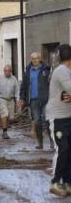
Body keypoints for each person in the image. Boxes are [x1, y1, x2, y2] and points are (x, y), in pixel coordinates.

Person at [45, 44, 71, 196]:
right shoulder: (61, 71)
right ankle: (55, 182)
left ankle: (67, 183)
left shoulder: (67, 71)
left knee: (69, 151)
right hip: (57, 117)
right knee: (62, 149)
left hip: (68, 117)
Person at [19, 52, 54, 149]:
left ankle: (52, 142)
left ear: (40, 59)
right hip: (33, 100)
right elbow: (23, 86)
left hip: (46, 99)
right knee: (37, 122)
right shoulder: (28, 72)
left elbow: (52, 83)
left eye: (36, 58)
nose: (34, 60)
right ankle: (40, 143)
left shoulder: (46, 70)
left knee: (47, 121)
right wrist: (22, 98)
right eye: (32, 58)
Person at [0, 65, 20, 139]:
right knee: (5, 114)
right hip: (1, 98)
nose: (7, 72)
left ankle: (3, 124)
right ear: (4, 71)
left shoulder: (14, 79)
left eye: (9, 71)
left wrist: (18, 99)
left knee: (11, 118)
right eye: (6, 71)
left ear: (11, 71)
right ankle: (4, 132)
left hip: (11, 99)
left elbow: (17, 90)